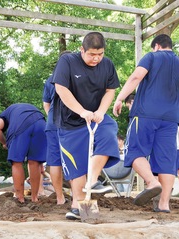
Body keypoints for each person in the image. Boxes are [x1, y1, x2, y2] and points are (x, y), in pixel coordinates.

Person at [113, 34, 179, 213]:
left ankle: (151, 182)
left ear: (156, 46)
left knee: (133, 150)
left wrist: (120, 98)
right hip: (172, 120)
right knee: (166, 160)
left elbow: (136, 77)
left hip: (145, 115)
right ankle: (164, 204)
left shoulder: (152, 57)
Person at [52, 32, 120, 220]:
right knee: (76, 165)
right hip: (70, 121)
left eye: (100, 54)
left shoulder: (107, 64)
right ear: (82, 50)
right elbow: (61, 88)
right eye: (92, 54)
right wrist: (81, 111)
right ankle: (79, 208)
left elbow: (110, 90)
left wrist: (100, 111)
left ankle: (92, 180)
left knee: (108, 131)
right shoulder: (67, 62)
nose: (96, 59)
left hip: (96, 117)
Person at [0, 103, 47, 203]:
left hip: (21, 125)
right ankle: (35, 197)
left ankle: (20, 197)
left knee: (16, 161)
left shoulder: (5, 115)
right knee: (35, 162)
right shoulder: (22, 108)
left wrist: (5, 143)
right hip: (41, 124)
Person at [42, 51, 71, 205]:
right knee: (74, 159)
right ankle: (77, 196)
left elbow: (46, 103)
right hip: (71, 124)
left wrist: (51, 116)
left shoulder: (50, 79)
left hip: (53, 123)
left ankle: (60, 198)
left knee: (54, 162)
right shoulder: (76, 76)